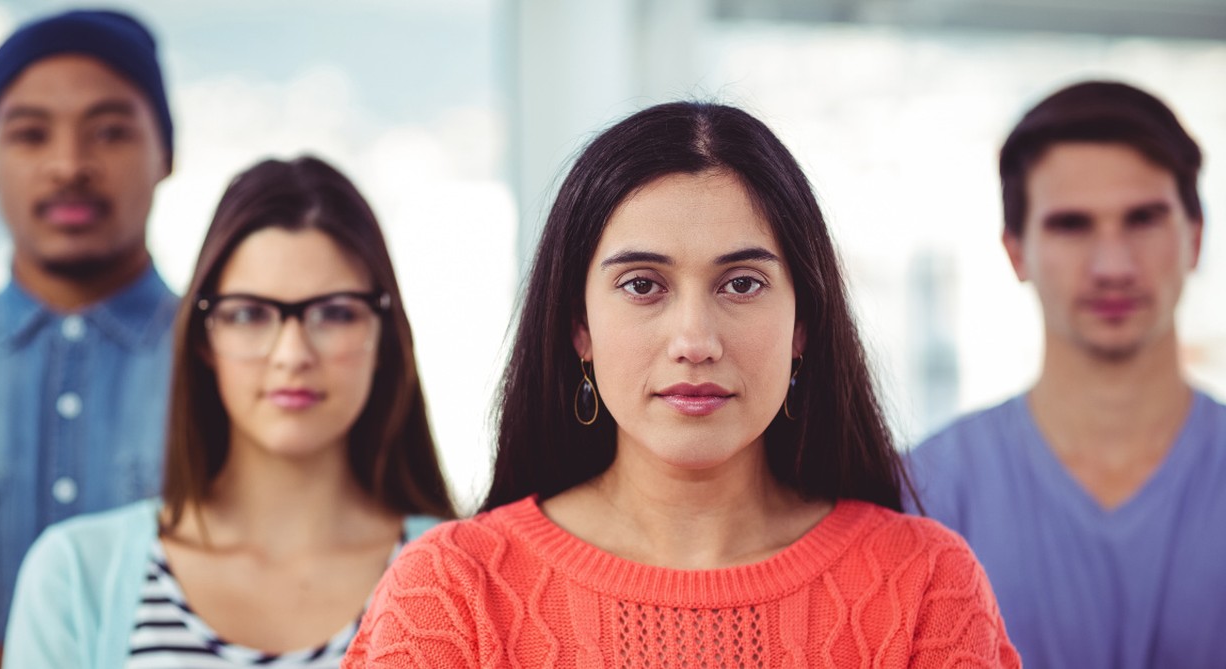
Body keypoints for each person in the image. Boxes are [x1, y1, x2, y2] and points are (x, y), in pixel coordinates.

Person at [342, 102, 1019, 668]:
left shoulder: (926, 583)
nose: (695, 340)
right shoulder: (453, 591)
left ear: (803, 326)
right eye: (643, 286)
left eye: (742, 284)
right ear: (579, 325)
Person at [2, 155, 456, 668]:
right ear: (203, 339)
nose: (292, 354)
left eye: (335, 313)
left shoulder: (465, 572)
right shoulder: (76, 573)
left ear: (384, 337)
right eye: (249, 314)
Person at [907, 81, 1226, 668]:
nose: (1113, 266)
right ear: (1016, 252)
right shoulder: (921, 495)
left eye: (1144, 218)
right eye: (1072, 225)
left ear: (1197, 237)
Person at [0, 9, 177, 663]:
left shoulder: (237, 366)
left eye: (109, 131)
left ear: (167, 152)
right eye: (30, 134)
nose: (69, 164)